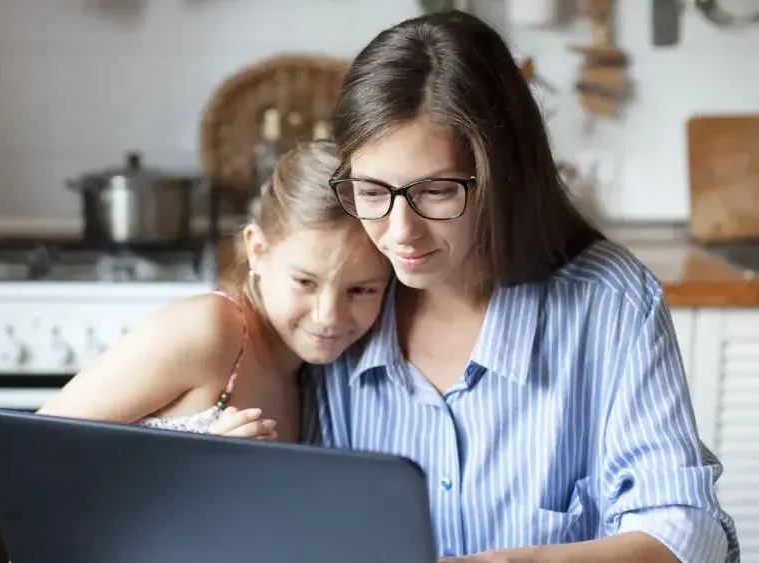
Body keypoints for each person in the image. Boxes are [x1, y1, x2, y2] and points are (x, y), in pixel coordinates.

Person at [303, 10, 739, 563]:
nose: (400, 232)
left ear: (501, 177)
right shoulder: (333, 304)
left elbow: (686, 531)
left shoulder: (609, 302)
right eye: (371, 191)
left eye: (436, 191)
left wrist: (520, 561)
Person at [38, 141, 391, 443]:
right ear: (256, 250)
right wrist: (197, 464)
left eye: (361, 290)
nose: (328, 316)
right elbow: (31, 448)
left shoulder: (315, 380)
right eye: (305, 282)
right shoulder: (211, 329)